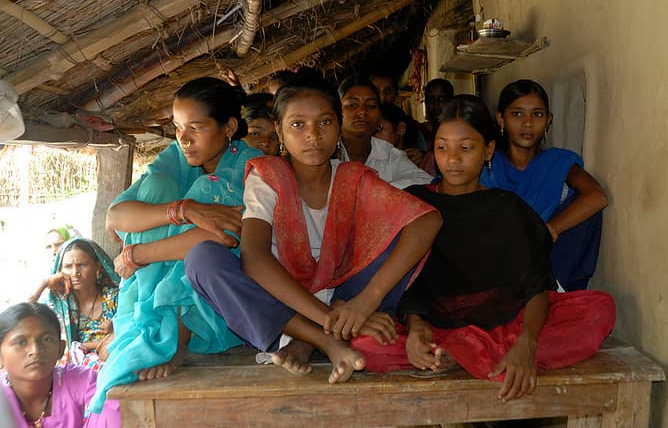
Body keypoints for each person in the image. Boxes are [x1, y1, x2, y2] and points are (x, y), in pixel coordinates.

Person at [352, 95, 615, 402]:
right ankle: (472, 355)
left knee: (600, 309)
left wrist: (527, 344)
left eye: (466, 148)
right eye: (441, 147)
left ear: (488, 149)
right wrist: (416, 327)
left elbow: (535, 286)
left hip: (503, 321)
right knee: (365, 345)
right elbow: (407, 284)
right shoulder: (413, 202)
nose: (452, 159)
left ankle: (463, 355)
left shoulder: (507, 207)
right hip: (437, 325)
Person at [185, 72, 442, 384]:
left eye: (324, 122)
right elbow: (254, 259)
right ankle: (323, 339)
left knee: (405, 230)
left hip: (346, 296)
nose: (313, 135)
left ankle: (304, 339)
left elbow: (428, 220)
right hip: (287, 297)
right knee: (202, 259)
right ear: (278, 129)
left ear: (338, 126)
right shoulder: (267, 176)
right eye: (298, 124)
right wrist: (329, 323)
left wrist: (366, 302)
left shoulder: (354, 176)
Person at [89, 77, 262, 412]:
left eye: (196, 127)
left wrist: (137, 254)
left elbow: (221, 236)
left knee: (200, 221)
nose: (183, 139)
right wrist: (183, 210)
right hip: (170, 272)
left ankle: (173, 336)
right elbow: (117, 215)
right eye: (179, 127)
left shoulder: (247, 164)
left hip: (222, 292)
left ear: (229, 127)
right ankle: (144, 324)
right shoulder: (179, 154)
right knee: (157, 188)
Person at [481, 80, 608, 290]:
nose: (528, 123)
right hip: (497, 260)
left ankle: (555, 289)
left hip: (546, 259)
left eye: (537, 114)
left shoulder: (556, 161)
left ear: (549, 120)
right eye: (517, 114)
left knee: (585, 207)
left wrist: (547, 230)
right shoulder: (488, 163)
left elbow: (597, 197)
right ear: (500, 118)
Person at [0, 302, 120, 427]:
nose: (35, 350)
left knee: (111, 409)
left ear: (60, 349)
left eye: (46, 339)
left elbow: (115, 397)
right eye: (21, 342)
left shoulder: (74, 380)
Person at [29, 238, 120, 367]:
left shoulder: (115, 297)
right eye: (67, 266)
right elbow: (22, 317)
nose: (75, 273)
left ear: (97, 266)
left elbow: (131, 332)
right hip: (72, 375)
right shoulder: (57, 303)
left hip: (115, 364)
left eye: (82, 265)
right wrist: (44, 283)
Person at [337, 75, 431, 188]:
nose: (362, 111)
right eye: (352, 105)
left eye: (371, 105)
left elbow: (425, 180)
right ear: (337, 110)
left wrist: (376, 190)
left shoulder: (389, 154)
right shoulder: (326, 152)